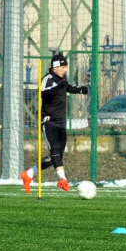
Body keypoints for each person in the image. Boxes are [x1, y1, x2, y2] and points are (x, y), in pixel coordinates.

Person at [20, 54, 88, 193]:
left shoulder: (62, 79)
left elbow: (66, 87)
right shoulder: (48, 79)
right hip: (48, 121)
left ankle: (28, 174)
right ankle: (63, 180)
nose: (65, 70)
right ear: (56, 67)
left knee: (56, 157)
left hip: (60, 122)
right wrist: (60, 86)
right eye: (63, 67)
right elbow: (45, 94)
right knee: (55, 150)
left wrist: (79, 89)